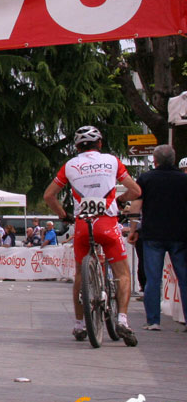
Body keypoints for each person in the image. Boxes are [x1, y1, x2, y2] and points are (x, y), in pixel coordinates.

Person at [44, 125, 141, 346]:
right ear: (99, 144)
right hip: (107, 223)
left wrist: (64, 215)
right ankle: (123, 321)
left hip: (82, 225)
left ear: (77, 147)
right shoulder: (112, 161)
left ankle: (79, 324)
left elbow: (49, 195)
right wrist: (119, 200)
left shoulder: (69, 165)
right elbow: (136, 191)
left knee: (79, 275)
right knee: (123, 273)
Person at [127, 145, 187, 331]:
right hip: (180, 235)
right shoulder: (184, 179)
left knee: (153, 279)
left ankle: (153, 320)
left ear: (155, 160)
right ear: (174, 159)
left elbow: (136, 205)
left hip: (152, 234)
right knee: (184, 279)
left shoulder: (146, 179)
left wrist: (133, 229)